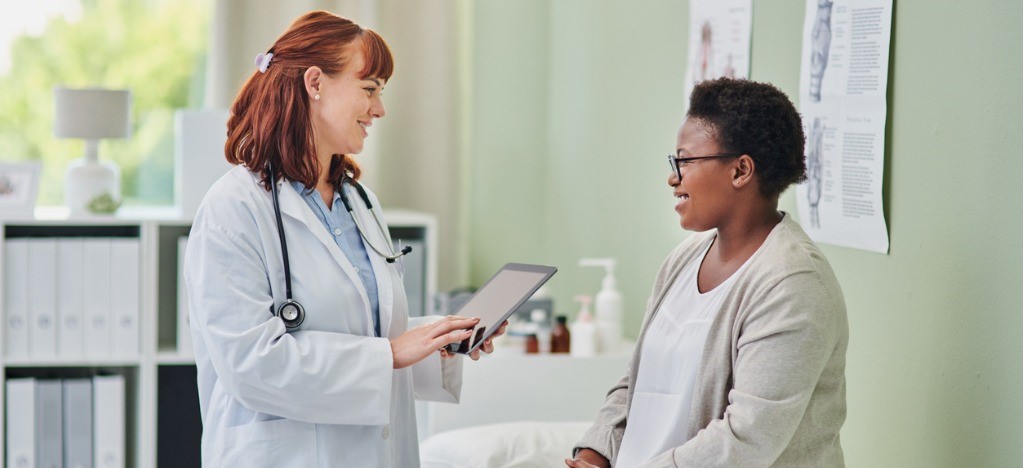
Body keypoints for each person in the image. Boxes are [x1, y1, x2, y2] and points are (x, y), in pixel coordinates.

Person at [184, 11, 503, 467]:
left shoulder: (359, 202)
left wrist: (440, 339)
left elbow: (370, 334)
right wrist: (388, 355)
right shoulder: (234, 208)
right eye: (369, 89)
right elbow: (251, 363)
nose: (379, 109)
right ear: (315, 83)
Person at [566, 78, 848, 467]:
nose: (673, 176)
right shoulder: (683, 259)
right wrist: (595, 453)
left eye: (684, 160)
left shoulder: (793, 283)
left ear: (741, 170)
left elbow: (748, 438)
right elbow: (637, 381)